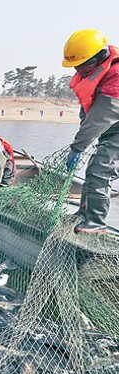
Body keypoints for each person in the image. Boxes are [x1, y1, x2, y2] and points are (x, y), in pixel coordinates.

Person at [62, 29, 119, 234]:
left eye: (81, 64)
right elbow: (89, 111)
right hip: (113, 129)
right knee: (93, 167)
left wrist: (77, 147)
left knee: (101, 170)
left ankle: (96, 223)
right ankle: (84, 213)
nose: (77, 69)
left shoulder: (117, 75)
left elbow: (100, 117)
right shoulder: (98, 73)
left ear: (99, 57)